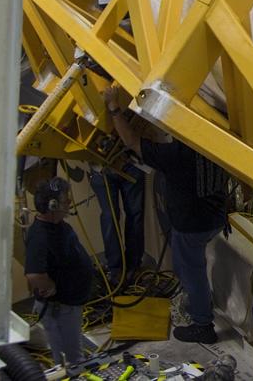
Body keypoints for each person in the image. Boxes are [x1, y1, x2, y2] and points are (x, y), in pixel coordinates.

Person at [106, 87, 227, 344]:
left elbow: (131, 142)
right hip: (215, 218)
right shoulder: (217, 143)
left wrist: (114, 107)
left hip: (191, 225)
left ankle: (203, 325)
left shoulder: (177, 157)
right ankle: (200, 305)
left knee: (191, 271)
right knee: (195, 268)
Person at [25, 176, 93, 367]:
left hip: (69, 305)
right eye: (66, 200)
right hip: (60, 309)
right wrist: (51, 286)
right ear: (53, 205)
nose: (70, 202)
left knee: (73, 350)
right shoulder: (40, 237)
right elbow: (34, 274)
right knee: (70, 360)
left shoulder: (57, 225)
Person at [88, 162, 145, 287]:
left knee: (135, 215)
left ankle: (133, 266)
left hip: (131, 162)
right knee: (110, 218)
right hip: (101, 168)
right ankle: (115, 269)